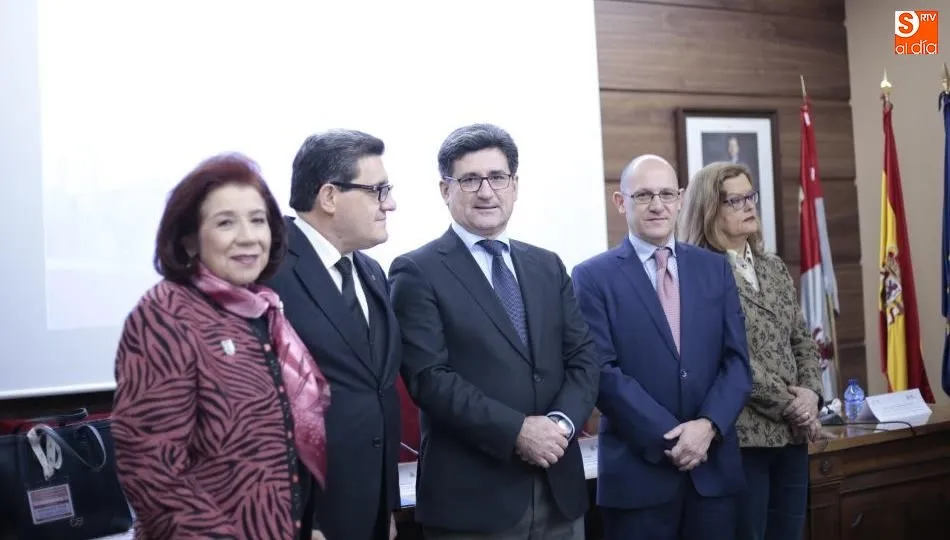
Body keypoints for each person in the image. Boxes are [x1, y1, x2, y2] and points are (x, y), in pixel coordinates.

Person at [389, 123, 599, 539]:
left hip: (561, 491)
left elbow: (583, 358)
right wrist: (517, 431)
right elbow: (429, 379)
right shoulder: (417, 271)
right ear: (445, 190)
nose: (486, 191)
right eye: (469, 179)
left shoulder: (547, 265)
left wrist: (559, 424)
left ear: (514, 185)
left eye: (497, 177)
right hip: (473, 501)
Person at [112, 153, 331, 540]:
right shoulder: (166, 313)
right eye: (226, 222)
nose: (248, 236)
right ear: (189, 239)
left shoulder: (264, 311)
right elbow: (151, 471)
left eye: (258, 220)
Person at [571, 154, 752, 540]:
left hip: (713, 472)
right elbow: (602, 372)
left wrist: (707, 427)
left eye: (667, 194)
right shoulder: (592, 276)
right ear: (621, 202)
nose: (657, 205)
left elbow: (737, 362)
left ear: (682, 198)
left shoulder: (714, 268)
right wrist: (674, 438)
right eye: (644, 195)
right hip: (638, 479)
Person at [263, 129, 401, 540]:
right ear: (329, 197)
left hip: (369, 510)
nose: (390, 203)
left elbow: (376, 392)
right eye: (379, 191)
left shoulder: (370, 271)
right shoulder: (268, 270)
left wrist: (384, 503)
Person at [678, 161, 823, 540]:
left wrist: (811, 394)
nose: (749, 206)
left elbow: (802, 340)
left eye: (750, 196)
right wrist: (791, 404)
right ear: (710, 210)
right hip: (744, 437)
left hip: (792, 435)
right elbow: (725, 357)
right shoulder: (698, 273)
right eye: (735, 200)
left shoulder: (773, 266)